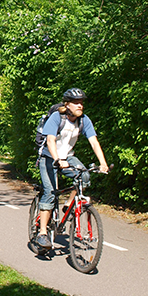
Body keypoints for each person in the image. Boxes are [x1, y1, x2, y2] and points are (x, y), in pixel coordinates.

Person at [36, 88, 109, 249]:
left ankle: (69, 204)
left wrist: (103, 163)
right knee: (50, 192)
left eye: (82, 102)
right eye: (76, 103)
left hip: (68, 157)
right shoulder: (57, 117)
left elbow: (94, 142)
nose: (80, 105)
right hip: (49, 157)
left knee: (84, 176)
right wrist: (57, 160)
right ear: (67, 104)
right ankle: (42, 234)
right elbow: (50, 140)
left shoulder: (84, 120)